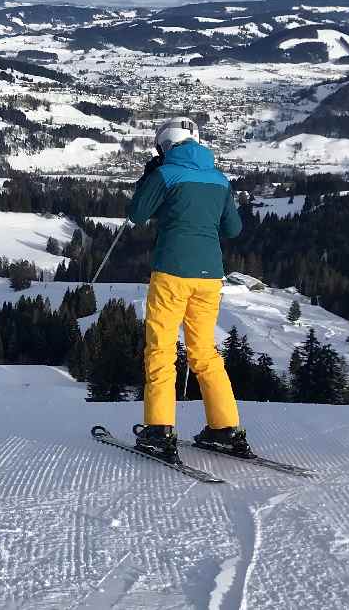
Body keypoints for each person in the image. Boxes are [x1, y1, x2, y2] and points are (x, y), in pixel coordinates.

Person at [126, 118, 253, 463]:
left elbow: (136, 213)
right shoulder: (219, 179)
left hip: (171, 271)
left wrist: (150, 175)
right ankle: (225, 428)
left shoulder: (166, 174)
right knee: (204, 352)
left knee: (161, 350)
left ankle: (159, 430)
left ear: (165, 146)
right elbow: (234, 228)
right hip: (210, 276)